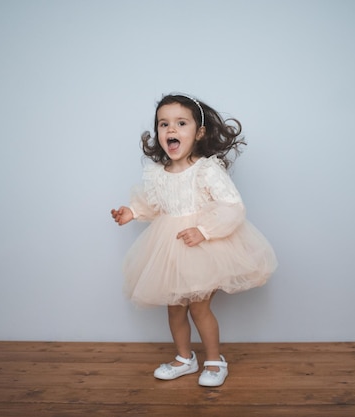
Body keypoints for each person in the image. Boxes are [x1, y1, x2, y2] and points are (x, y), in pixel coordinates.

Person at [111, 94, 277, 387]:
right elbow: (156, 205)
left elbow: (232, 206)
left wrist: (205, 231)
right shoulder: (157, 175)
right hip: (170, 249)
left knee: (199, 308)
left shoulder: (206, 169)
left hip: (202, 248)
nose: (171, 130)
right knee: (174, 308)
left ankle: (215, 361)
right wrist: (132, 212)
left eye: (181, 123)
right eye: (164, 124)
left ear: (199, 132)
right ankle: (184, 358)